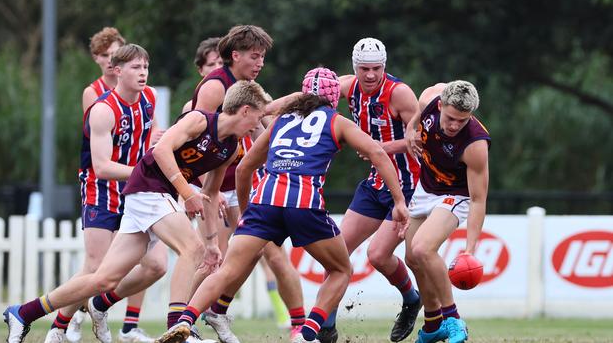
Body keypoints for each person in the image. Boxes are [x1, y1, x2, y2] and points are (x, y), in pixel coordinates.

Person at [3, 79, 271, 343]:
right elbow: (162, 149)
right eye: (257, 119)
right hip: (148, 185)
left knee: (104, 280)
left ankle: (23, 313)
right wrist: (187, 192)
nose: (256, 128)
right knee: (191, 248)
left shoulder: (231, 147)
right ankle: (178, 327)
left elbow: (211, 194)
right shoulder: (199, 120)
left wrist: (213, 241)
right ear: (244, 110)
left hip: (156, 194)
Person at [156, 68, 410, 343]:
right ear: (335, 96)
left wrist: (247, 212)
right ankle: (307, 334)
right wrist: (398, 200)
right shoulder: (337, 122)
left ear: (301, 92)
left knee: (228, 270)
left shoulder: (281, 121)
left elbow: (244, 168)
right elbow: (377, 153)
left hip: (264, 202)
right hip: (304, 203)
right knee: (341, 270)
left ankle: (185, 320)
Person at [180, 25, 305, 343]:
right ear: (235, 55)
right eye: (255, 56)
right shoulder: (214, 87)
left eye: (263, 56)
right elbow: (198, 137)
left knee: (266, 253)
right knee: (215, 258)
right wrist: (205, 189)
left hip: (244, 182)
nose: (260, 62)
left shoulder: (249, 85)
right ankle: (182, 322)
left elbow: (265, 129)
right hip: (216, 185)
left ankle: (295, 326)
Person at [41, 43, 164, 343]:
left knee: (157, 265)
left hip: (136, 187)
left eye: (145, 66)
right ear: (115, 69)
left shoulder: (150, 97)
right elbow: (102, 167)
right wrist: (143, 170)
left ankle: (100, 306)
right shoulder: (101, 107)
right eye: (136, 67)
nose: (143, 72)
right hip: (101, 187)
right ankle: (60, 325)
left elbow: (152, 138)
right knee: (96, 266)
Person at [317, 37, 422, 343]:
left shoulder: (399, 94)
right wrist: (269, 108)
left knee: (378, 255)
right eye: (365, 69)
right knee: (335, 253)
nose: (371, 75)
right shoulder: (347, 87)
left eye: (377, 68)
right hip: (375, 181)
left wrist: (380, 148)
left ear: (384, 67)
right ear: (355, 68)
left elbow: (421, 140)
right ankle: (327, 326)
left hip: (407, 184)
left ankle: (412, 299)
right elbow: (313, 92)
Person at [404, 80, 490, 343]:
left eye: (462, 121)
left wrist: (470, 249)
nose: (454, 126)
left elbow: (478, 199)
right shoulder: (429, 98)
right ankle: (432, 326)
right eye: (450, 118)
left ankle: (454, 320)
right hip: (426, 187)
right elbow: (419, 113)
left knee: (422, 249)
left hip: (456, 195)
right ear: (440, 105)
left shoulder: (475, 144)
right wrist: (410, 129)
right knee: (412, 258)